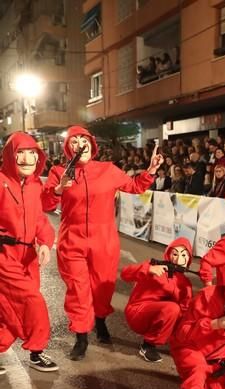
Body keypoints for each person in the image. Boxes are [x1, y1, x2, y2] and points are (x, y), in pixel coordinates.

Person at [42, 126, 163, 361]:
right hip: (72, 240)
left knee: (102, 287)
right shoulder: (59, 171)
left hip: (104, 240)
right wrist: (58, 189)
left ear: (91, 145)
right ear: (69, 148)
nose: (79, 144)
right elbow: (46, 204)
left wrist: (150, 170)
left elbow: (135, 186)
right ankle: (81, 336)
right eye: (74, 141)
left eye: (83, 139)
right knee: (78, 289)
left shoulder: (108, 169)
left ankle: (100, 320)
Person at [0, 132, 58, 373]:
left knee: (10, 308)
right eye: (20, 153)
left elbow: (40, 219)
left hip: (29, 257)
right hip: (4, 254)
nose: (26, 159)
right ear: (11, 156)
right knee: (32, 301)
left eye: (32, 153)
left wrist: (45, 242)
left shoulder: (35, 184)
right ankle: (37, 350)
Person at [120, 237, 192, 363]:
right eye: (175, 253)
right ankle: (148, 345)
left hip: (158, 315)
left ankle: (174, 344)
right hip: (137, 312)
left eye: (184, 254)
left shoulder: (185, 283)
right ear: (168, 254)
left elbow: (185, 311)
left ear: (189, 259)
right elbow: (125, 274)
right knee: (172, 308)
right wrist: (147, 269)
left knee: (183, 313)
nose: (178, 258)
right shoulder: (156, 266)